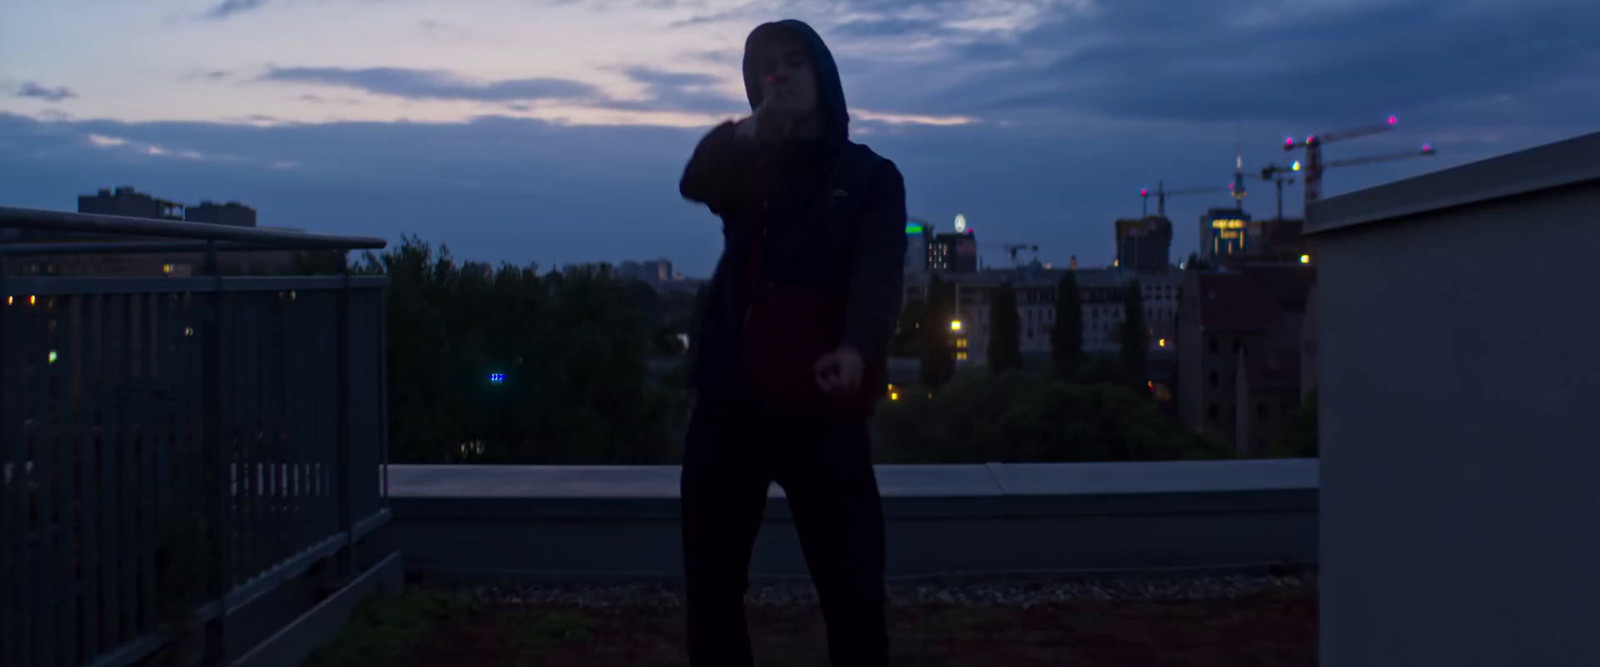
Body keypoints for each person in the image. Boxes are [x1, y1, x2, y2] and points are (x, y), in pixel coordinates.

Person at [677, 18, 907, 667]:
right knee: (714, 589)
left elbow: (878, 272)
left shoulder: (869, 177)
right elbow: (693, 182)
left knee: (853, 591)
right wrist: (745, 135)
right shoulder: (746, 168)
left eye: (793, 62)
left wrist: (858, 347)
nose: (779, 75)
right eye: (765, 67)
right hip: (729, 401)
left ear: (823, 75)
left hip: (823, 405)